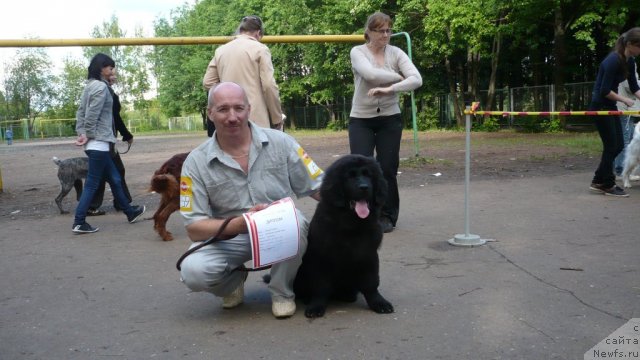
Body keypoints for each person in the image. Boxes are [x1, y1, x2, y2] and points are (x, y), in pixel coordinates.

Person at [178, 82, 323, 318]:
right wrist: (241, 223)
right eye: (223, 109)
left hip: (279, 231)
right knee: (193, 271)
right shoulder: (195, 162)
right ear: (210, 113)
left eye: (239, 108)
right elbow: (194, 228)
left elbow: (318, 186)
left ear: (249, 109)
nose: (233, 117)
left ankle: (282, 292)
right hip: (230, 237)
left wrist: (357, 201)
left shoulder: (283, 143)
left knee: (296, 221)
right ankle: (233, 281)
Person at [348, 11, 422, 233]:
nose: (386, 35)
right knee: (361, 168)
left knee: (387, 168)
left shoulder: (396, 53)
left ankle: (387, 215)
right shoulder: (357, 52)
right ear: (369, 32)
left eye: (389, 30)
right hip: (361, 118)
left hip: (390, 118)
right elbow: (370, 75)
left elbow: (417, 79)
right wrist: (398, 77)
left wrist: (391, 88)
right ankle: (361, 214)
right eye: (380, 31)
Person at [72, 53, 145, 233]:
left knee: (115, 178)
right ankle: (79, 221)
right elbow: (91, 114)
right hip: (99, 143)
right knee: (92, 184)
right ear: (101, 68)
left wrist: (82, 133)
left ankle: (130, 212)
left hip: (97, 143)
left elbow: (81, 112)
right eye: (110, 68)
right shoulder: (100, 87)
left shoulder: (90, 86)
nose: (113, 71)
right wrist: (87, 134)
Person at [203, 15, 284, 133]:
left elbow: (207, 82)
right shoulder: (260, 49)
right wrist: (276, 117)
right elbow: (268, 85)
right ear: (258, 33)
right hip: (255, 119)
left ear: (241, 31)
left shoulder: (221, 50)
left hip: (229, 119)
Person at [589, 27, 640, 197]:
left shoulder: (630, 61)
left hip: (610, 107)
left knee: (618, 145)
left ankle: (598, 180)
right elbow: (604, 90)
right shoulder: (612, 60)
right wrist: (624, 100)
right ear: (630, 44)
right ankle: (608, 184)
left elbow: (634, 87)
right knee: (612, 146)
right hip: (599, 107)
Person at [87, 71, 134, 216]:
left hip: (103, 139)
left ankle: (122, 204)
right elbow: (114, 118)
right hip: (103, 140)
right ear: (102, 74)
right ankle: (122, 204)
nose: (114, 77)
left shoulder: (100, 90)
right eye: (111, 73)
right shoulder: (106, 93)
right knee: (111, 172)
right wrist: (126, 134)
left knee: (108, 173)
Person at [614, 67, 640, 181]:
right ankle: (620, 171)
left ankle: (623, 171)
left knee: (628, 140)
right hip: (625, 109)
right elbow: (630, 86)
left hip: (628, 109)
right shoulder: (627, 67)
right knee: (624, 141)